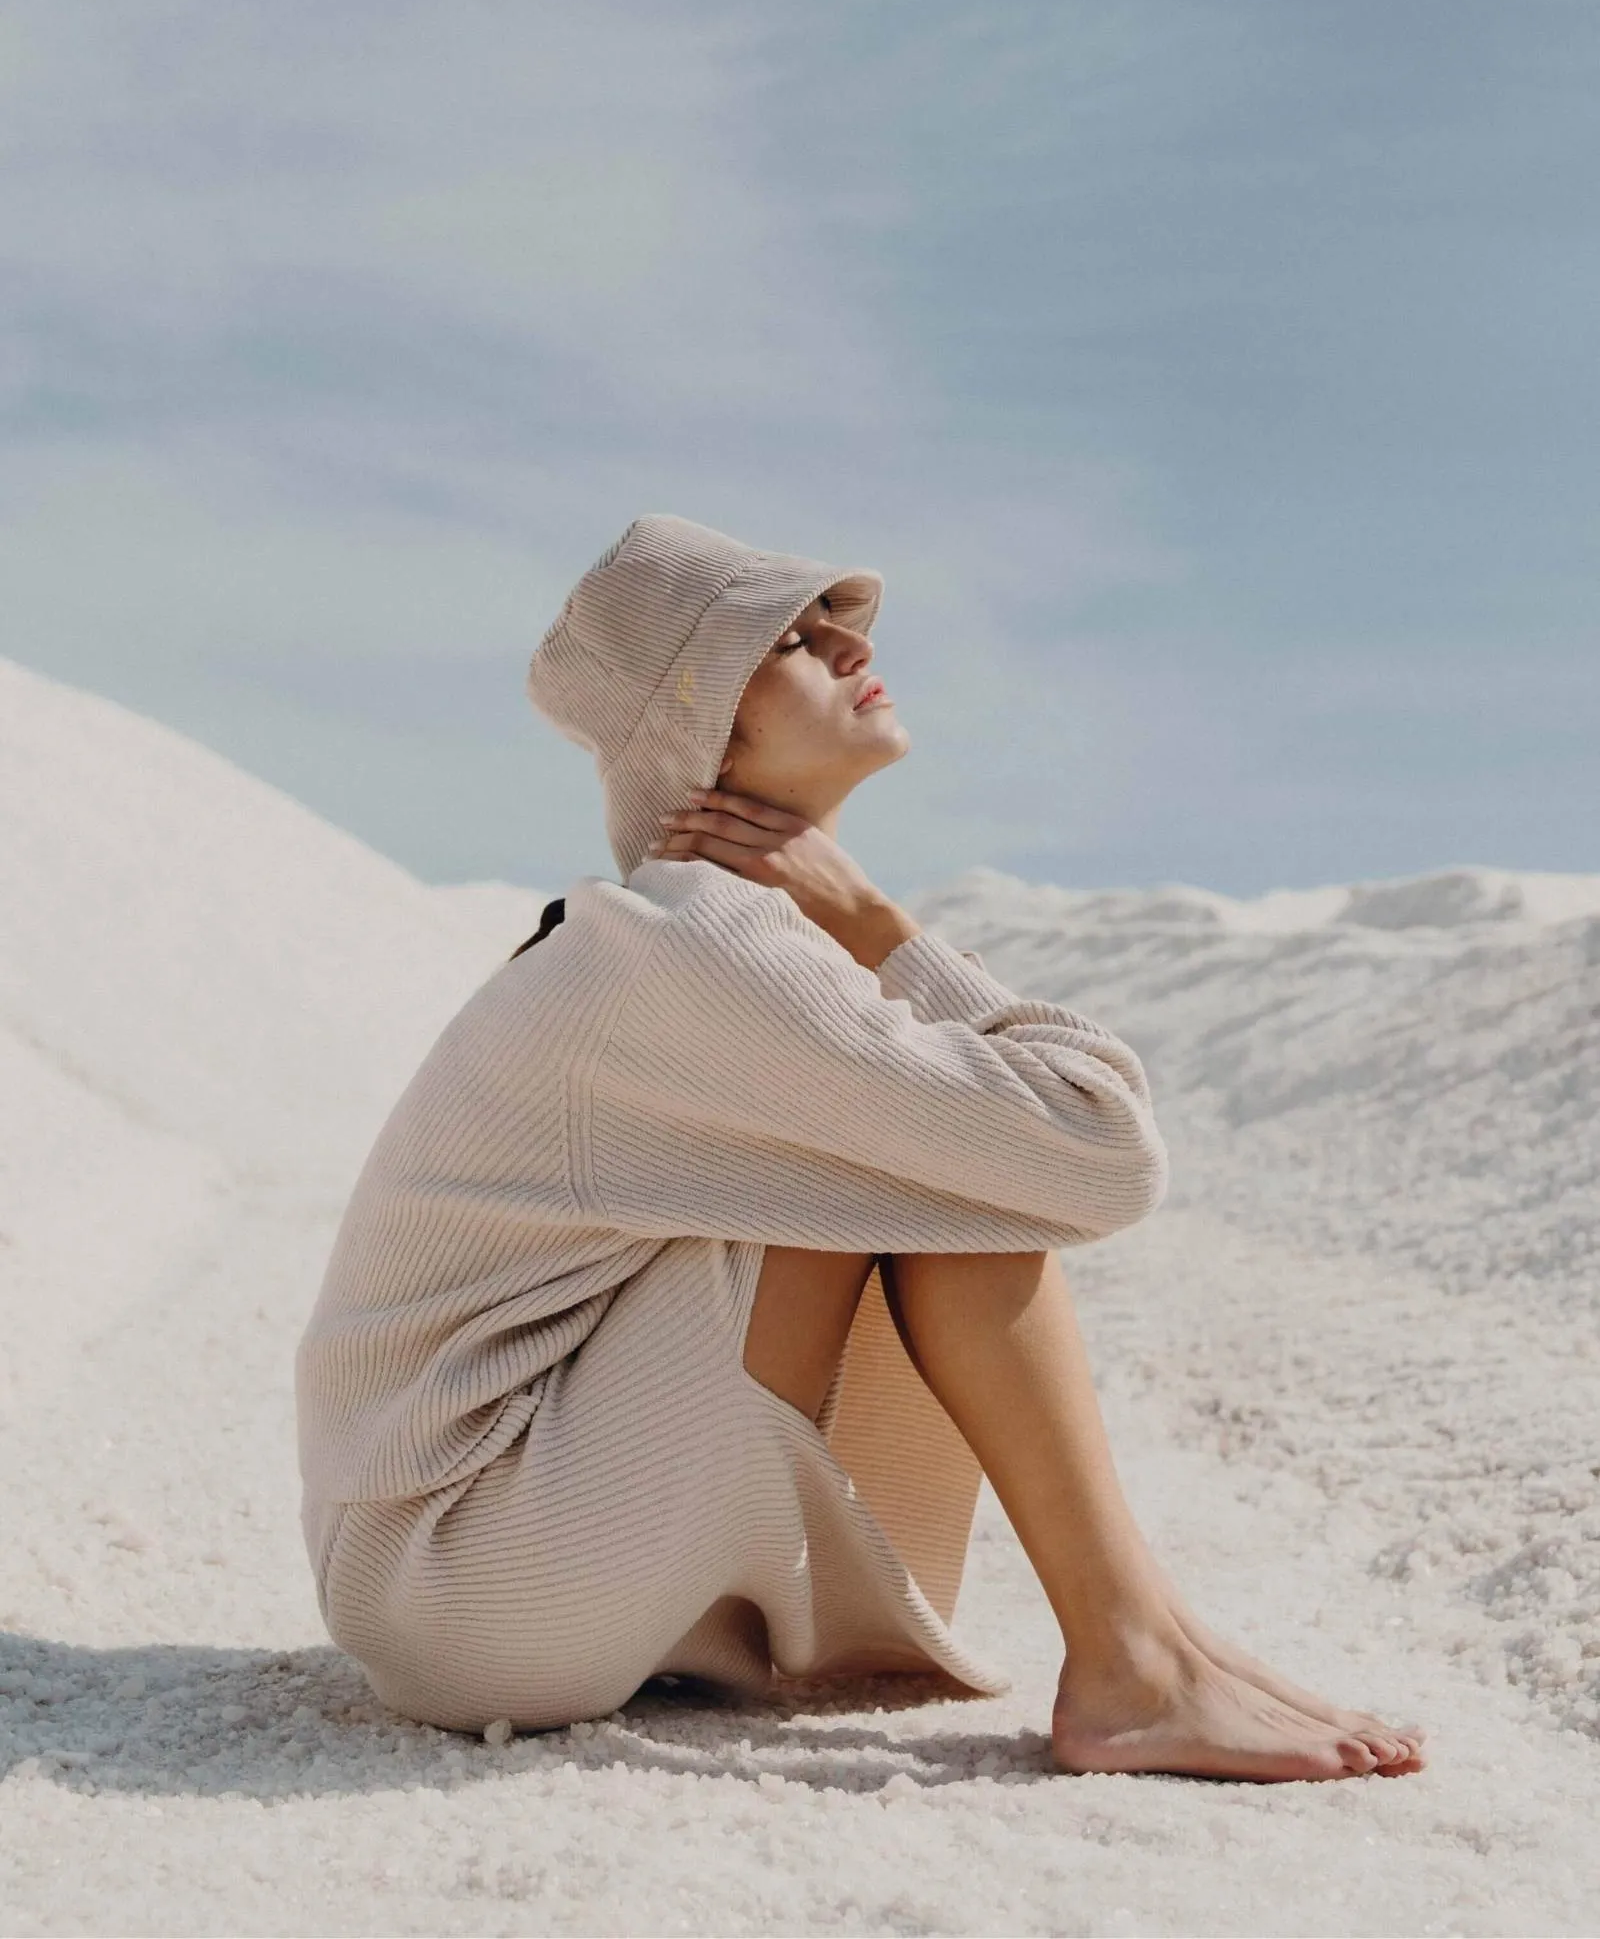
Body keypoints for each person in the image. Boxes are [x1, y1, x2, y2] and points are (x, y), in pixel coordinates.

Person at [294, 513, 1426, 1781]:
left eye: (841, 617)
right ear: (701, 719)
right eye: (789, 634)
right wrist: (887, 928)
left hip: (468, 1566)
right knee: (965, 1175)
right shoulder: (690, 945)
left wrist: (868, 926)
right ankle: (1136, 1660)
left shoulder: (698, 935)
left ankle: (1156, 1644)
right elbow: (1098, 1149)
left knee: (946, 1151)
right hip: (465, 1569)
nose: (847, 641)